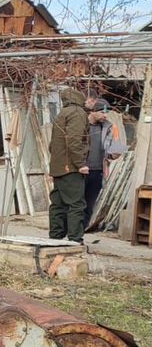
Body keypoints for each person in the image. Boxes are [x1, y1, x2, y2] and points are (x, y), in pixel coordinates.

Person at [48, 88, 89, 243]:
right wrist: (80, 164)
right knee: (76, 204)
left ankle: (55, 238)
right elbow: (74, 140)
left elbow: (52, 145)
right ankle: (75, 239)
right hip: (70, 167)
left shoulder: (62, 113)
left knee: (58, 204)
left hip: (58, 167)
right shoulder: (77, 113)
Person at [81, 98, 129, 228]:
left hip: (97, 171)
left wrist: (114, 154)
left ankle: (81, 232)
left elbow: (109, 149)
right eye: (103, 112)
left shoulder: (107, 127)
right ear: (94, 112)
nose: (105, 116)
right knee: (76, 204)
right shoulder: (82, 125)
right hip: (81, 170)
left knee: (89, 205)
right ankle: (70, 231)